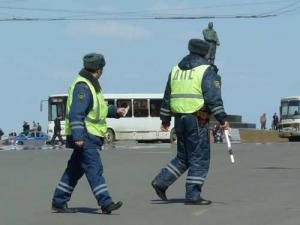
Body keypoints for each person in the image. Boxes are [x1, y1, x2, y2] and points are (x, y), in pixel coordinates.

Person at [151, 39, 229, 205]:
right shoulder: (206, 70)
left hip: (179, 119)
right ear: (205, 53)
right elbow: (213, 98)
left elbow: (167, 97)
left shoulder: (176, 70)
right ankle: (193, 195)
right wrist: (222, 119)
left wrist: (165, 119)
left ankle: (161, 182)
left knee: (183, 157)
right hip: (197, 119)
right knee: (200, 158)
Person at [51, 53, 126, 214]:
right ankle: (106, 203)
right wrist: (78, 137)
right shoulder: (84, 87)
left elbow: (99, 110)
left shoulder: (92, 86)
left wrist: (115, 111)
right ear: (99, 70)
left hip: (89, 135)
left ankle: (59, 201)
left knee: (74, 170)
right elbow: (76, 113)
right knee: (94, 168)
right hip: (86, 136)